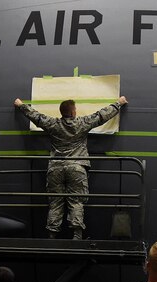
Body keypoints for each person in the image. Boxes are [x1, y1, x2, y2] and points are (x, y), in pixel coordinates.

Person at [13, 96, 128, 239]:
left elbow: (36, 117)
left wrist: (21, 105)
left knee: (55, 203)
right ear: (73, 112)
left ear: (61, 112)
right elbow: (101, 116)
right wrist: (119, 103)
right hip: (77, 167)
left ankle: (52, 236)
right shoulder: (82, 123)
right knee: (77, 201)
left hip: (55, 168)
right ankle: (77, 236)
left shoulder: (53, 124)